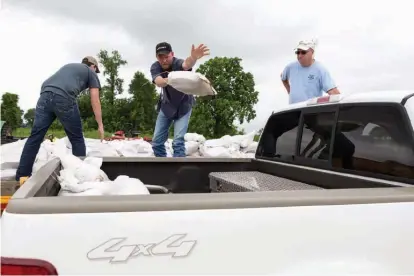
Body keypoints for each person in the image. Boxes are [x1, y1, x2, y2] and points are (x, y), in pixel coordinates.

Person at [15, 56, 104, 183]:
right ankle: (81, 178)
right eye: (96, 70)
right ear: (93, 66)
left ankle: (22, 176)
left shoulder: (70, 67)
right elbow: (95, 100)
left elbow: (51, 83)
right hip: (64, 97)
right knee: (77, 138)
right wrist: (100, 125)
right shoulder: (90, 73)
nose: (96, 73)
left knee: (35, 137)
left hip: (45, 95)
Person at [150, 42, 209, 157]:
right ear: (157, 57)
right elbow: (159, 82)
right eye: (160, 57)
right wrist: (174, 78)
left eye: (166, 56)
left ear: (172, 54)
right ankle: (164, 169)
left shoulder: (177, 63)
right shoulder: (156, 66)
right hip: (166, 106)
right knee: (157, 143)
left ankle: (178, 171)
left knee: (177, 142)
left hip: (184, 106)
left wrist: (193, 57)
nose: (164, 60)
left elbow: (186, 65)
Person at [281, 39, 340, 104]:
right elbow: (283, 77)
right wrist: (290, 91)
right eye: (298, 52)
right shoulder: (290, 67)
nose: (299, 55)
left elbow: (334, 93)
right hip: (293, 110)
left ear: (312, 52)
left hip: (310, 111)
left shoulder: (320, 69)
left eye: (303, 52)